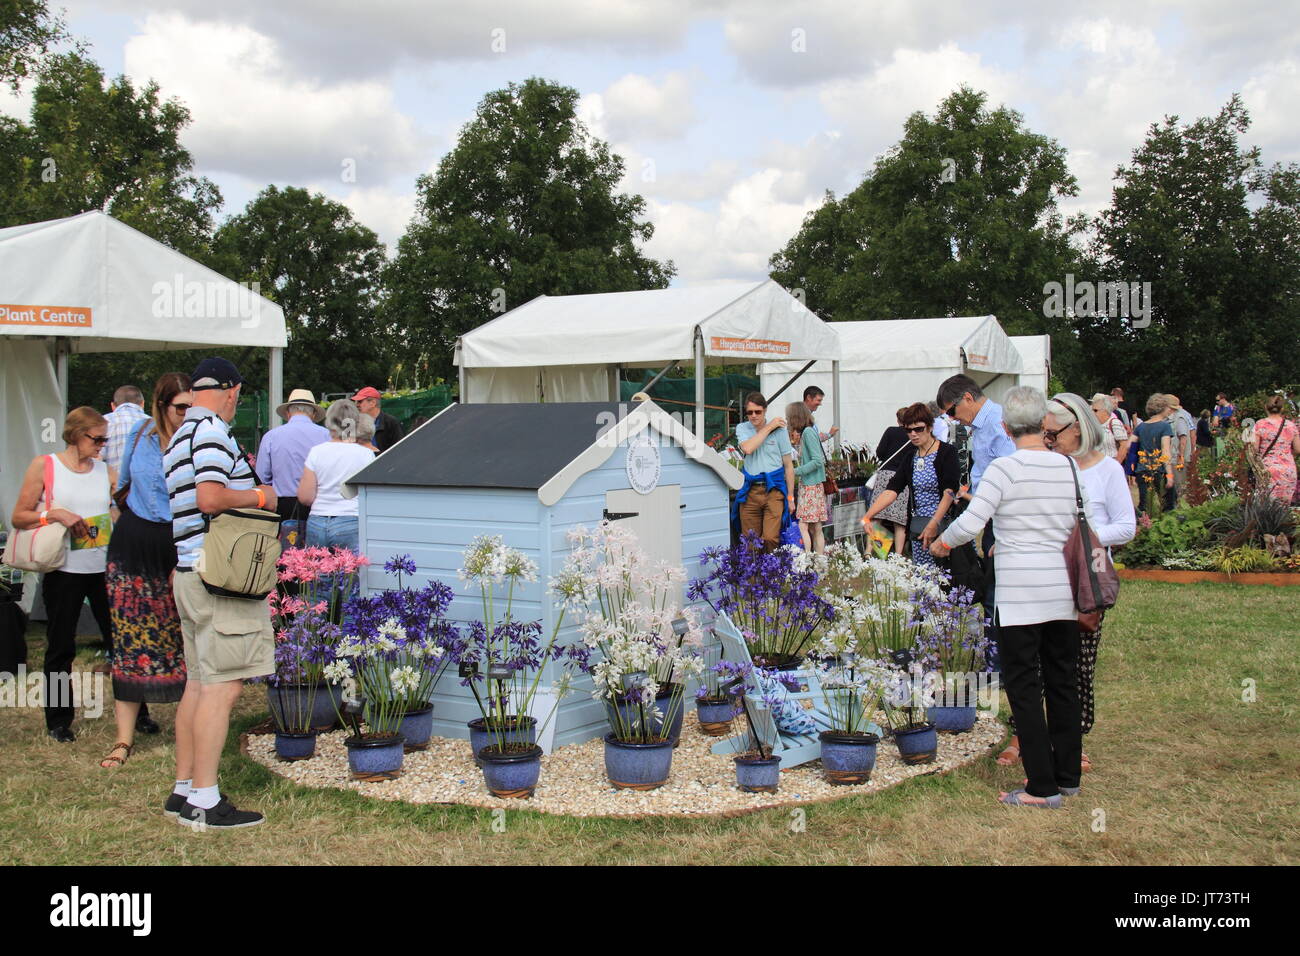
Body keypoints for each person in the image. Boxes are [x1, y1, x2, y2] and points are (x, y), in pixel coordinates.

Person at [930, 387, 1082, 809]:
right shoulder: (1068, 467)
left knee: (1024, 686)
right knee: (1062, 682)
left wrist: (943, 542)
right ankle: (1067, 777)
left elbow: (972, 522)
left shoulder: (1004, 467)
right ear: (1044, 424)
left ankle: (1041, 787)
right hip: (1063, 592)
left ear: (1005, 426)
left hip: (1019, 594)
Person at [165, 357, 277, 829]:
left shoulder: (178, 435)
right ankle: (206, 802)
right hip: (220, 578)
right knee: (224, 686)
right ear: (231, 391)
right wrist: (261, 496)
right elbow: (211, 497)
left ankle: (184, 789)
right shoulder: (211, 431)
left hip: (189, 572)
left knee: (199, 681)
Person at [99, 374, 193, 769]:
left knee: (186, 639)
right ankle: (123, 740)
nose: (186, 414)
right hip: (132, 543)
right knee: (129, 639)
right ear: (160, 404)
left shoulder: (198, 441)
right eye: (180, 407)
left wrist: (185, 556)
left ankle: (190, 730)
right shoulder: (139, 433)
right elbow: (120, 487)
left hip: (178, 546)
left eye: (192, 406)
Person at [10, 407, 117, 741]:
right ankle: (58, 720)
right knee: (60, 647)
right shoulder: (45, 466)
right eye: (96, 438)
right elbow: (19, 516)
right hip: (63, 570)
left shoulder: (105, 472)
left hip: (101, 568)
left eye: (105, 439)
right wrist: (53, 514)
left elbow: (117, 509)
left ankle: (137, 712)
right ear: (75, 434)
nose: (101, 445)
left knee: (120, 644)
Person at [1044, 392, 1135, 775]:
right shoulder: (1049, 466)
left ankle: (1073, 741)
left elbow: (1126, 528)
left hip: (1086, 580)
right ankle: (1034, 735)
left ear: (1079, 426)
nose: (1049, 440)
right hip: (1048, 577)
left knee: (1079, 663)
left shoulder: (1107, 470)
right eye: (1045, 434)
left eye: (1055, 433)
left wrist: (1084, 534)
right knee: (1042, 662)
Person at [862, 402, 958, 567]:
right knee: (923, 577)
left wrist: (934, 522)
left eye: (918, 429)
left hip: (943, 526)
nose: (913, 434)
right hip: (919, 526)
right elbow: (892, 490)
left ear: (929, 427)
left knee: (946, 578)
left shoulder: (947, 452)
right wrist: (867, 516)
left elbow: (949, 492)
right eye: (908, 430)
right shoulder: (910, 458)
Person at [298, 399, 376, 555]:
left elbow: (305, 497)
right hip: (351, 519)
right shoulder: (366, 454)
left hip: (318, 520)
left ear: (328, 422)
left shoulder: (316, 452)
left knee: (316, 576)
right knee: (349, 576)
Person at [255, 388, 329, 547]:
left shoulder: (271, 437)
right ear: (314, 414)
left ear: (288, 413)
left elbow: (261, 477)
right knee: (316, 558)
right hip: (318, 505)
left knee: (285, 558)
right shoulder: (326, 435)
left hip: (282, 506)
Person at [733, 392, 796, 550]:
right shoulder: (743, 428)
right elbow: (748, 448)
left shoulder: (780, 431)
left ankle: (772, 572)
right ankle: (754, 574)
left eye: (758, 412)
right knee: (750, 541)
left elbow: (788, 466)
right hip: (750, 491)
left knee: (770, 538)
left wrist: (790, 497)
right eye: (750, 412)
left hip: (774, 490)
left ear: (765, 410)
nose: (753, 416)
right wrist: (769, 427)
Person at [786, 402, 827, 554]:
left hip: (810, 486)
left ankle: (808, 559)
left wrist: (794, 471)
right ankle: (819, 561)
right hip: (813, 485)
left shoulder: (808, 433)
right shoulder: (809, 432)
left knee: (804, 525)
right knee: (816, 527)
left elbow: (817, 461)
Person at [871, 408, 913, 554]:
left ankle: (874, 551)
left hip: (885, 474)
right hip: (903, 478)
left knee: (877, 516)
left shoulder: (890, 431)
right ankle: (898, 554)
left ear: (898, 420)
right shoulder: (913, 435)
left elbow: (880, 452)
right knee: (899, 521)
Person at [1248, 395, 1300, 504]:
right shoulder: (1291, 425)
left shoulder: (1260, 424)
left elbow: (1254, 448)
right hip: (1288, 469)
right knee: (1284, 506)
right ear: (1282, 409)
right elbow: (1298, 449)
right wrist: (1288, 455)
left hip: (1267, 470)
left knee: (1267, 507)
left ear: (1266, 407)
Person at [1133, 394, 1176, 513]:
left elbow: (1129, 445)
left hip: (1142, 469)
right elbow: (1165, 451)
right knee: (1168, 505)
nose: (1169, 411)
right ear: (1162, 408)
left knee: (1144, 506)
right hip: (1159, 470)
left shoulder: (1140, 427)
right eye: (1168, 407)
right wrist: (1170, 475)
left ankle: (1143, 528)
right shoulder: (1165, 426)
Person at [102, 385, 148, 472]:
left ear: (113, 406)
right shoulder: (155, 424)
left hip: (112, 483)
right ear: (142, 403)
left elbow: (96, 458)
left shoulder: (103, 422)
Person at [352, 387, 404, 452]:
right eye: (356, 402)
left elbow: (400, 450)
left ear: (373, 403)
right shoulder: (354, 422)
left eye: (360, 401)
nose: (356, 405)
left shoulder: (391, 423)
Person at [1165, 395, 1194, 502]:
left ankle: (1181, 510)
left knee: (1180, 487)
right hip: (1172, 458)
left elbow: (1183, 438)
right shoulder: (1171, 418)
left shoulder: (1179, 418)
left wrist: (1181, 456)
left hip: (1178, 459)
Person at [1089, 393, 1131, 464]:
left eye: (1095, 410)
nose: (1092, 413)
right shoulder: (1094, 425)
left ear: (1105, 410)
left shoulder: (1114, 423)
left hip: (1111, 464)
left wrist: (1116, 464)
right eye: (1092, 410)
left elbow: (1124, 446)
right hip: (1096, 464)